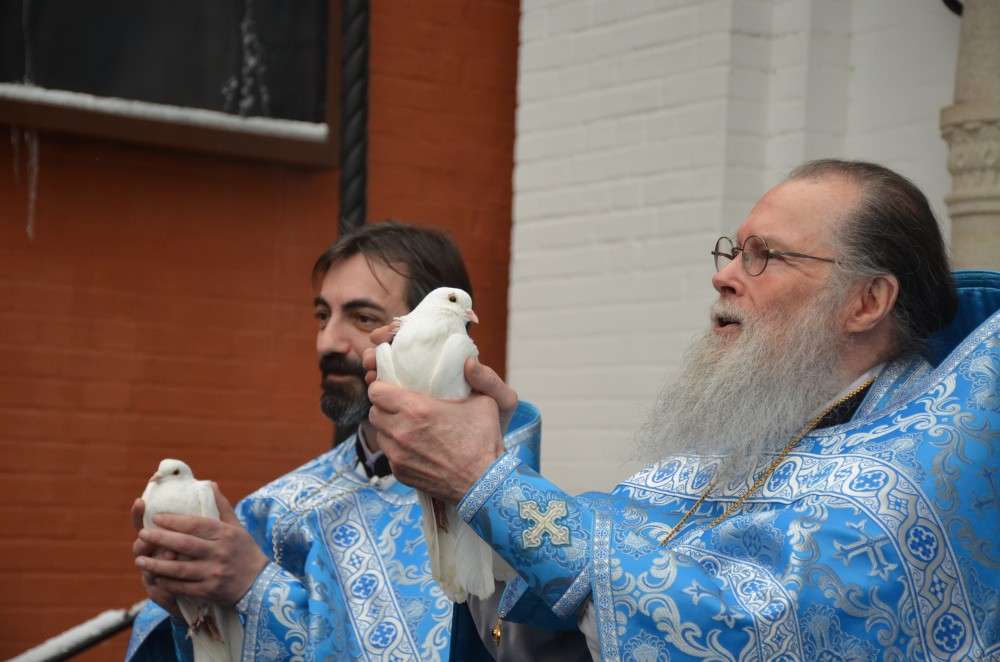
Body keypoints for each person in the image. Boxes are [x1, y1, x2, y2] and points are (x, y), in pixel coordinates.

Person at [366, 160, 1000, 660]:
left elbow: (736, 632)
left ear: (866, 302)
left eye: (763, 255)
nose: (724, 277)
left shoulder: (907, 488)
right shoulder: (732, 453)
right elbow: (558, 614)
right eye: (733, 251)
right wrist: (481, 449)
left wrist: (486, 481)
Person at [125, 220, 543, 661]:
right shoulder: (274, 510)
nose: (327, 342)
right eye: (323, 316)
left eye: (363, 318)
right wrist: (191, 608)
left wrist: (256, 589)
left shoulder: (505, 511)